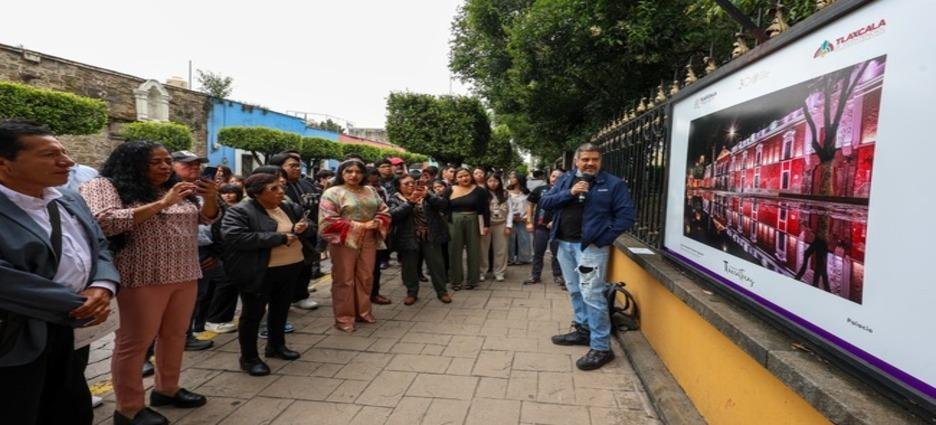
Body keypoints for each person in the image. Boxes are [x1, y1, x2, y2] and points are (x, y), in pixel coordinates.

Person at [81, 140, 217, 424]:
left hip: (184, 273)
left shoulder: (174, 187)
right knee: (134, 343)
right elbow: (105, 222)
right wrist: (164, 203)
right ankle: (129, 408)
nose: (165, 167)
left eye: (167, 161)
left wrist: (212, 195)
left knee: (175, 336)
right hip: (141, 276)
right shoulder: (104, 185)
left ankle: (167, 389)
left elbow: (206, 218)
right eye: (156, 162)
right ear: (131, 163)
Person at [0, 120, 118, 425]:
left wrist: (103, 286)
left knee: (72, 409)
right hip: (15, 335)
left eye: (64, 152)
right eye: (50, 154)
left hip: (72, 328)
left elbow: (99, 245)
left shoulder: (69, 199)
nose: (68, 161)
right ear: (5, 163)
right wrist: (75, 303)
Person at [539, 143, 635, 371]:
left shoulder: (613, 184)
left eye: (595, 159)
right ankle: (583, 331)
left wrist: (602, 239)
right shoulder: (565, 179)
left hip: (590, 249)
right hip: (564, 244)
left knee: (592, 295)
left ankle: (602, 347)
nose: (590, 163)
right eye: (585, 160)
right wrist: (570, 193)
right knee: (574, 290)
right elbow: (545, 202)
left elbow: (626, 217)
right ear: (576, 161)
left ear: (600, 161)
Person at [222, 173, 309, 376]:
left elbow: (306, 226)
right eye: (274, 189)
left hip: (290, 267)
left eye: (281, 187)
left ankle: (276, 346)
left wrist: (302, 228)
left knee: (280, 310)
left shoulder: (286, 207)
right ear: (256, 193)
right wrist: (278, 238)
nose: (281, 192)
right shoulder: (240, 211)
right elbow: (236, 237)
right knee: (253, 315)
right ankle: (249, 358)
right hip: (259, 271)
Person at [319, 159, 391, 332]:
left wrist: (377, 221)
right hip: (344, 240)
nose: (354, 175)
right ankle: (344, 318)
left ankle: (363, 312)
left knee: (366, 276)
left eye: (358, 172)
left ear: (363, 174)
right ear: (341, 174)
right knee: (344, 279)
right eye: (349, 171)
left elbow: (384, 210)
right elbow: (328, 220)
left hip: (369, 238)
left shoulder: (370, 190)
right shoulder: (332, 193)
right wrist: (360, 226)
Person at [387, 173, 452, 305]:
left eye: (412, 182)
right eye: (406, 184)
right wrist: (410, 202)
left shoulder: (427, 194)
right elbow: (393, 216)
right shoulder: (395, 199)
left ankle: (442, 292)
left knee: (436, 265)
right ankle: (412, 292)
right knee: (409, 267)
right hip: (408, 238)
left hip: (430, 236)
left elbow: (443, 205)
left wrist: (428, 196)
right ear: (399, 187)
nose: (411, 185)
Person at [269, 152, 320, 311]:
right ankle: (292, 296)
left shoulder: (306, 184)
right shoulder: (275, 188)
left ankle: (300, 294)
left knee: (305, 265)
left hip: (308, 231)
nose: (297, 169)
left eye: (299, 166)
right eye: (292, 166)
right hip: (287, 235)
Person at [445, 168, 490, 291]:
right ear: (455, 178)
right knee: (454, 250)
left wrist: (486, 225)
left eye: (466, 175)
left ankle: (472, 280)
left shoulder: (480, 191)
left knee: (474, 250)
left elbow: (486, 209)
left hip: (474, 220)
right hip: (454, 221)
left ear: (471, 176)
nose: (464, 178)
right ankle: (456, 281)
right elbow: (443, 206)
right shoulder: (449, 190)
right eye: (460, 176)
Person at [524, 169, 565, 287]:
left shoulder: (566, 191)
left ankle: (558, 275)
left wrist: (555, 221)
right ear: (549, 177)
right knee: (538, 252)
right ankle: (535, 275)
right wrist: (529, 221)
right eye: (553, 176)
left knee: (556, 253)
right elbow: (529, 204)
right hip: (540, 227)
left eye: (558, 177)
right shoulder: (540, 190)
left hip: (557, 228)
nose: (555, 178)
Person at [366, 166, 393, 305]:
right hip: (354, 235)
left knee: (375, 267)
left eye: (376, 179)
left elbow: (385, 209)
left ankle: (374, 293)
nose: (375, 180)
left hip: (375, 233)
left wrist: (381, 222)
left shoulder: (380, 191)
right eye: (372, 177)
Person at [479, 173, 509, 282]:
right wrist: (483, 225)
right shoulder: (482, 193)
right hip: (486, 224)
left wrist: (508, 226)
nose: (493, 183)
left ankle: (499, 272)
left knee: (501, 249)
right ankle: (482, 271)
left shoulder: (505, 194)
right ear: (486, 182)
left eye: (495, 181)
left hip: (501, 224)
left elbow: (509, 211)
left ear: (499, 182)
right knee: (482, 249)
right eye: (490, 181)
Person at [506, 172, 533, 265]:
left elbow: (529, 206)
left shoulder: (527, 193)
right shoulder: (507, 192)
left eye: (513, 177)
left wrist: (525, 217)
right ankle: (510, 259)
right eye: (511, 177)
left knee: (524, 238)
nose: (511, 179)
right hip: (510, 218)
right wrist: (511, 216)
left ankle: (523, 258)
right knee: (510, 239)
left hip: (523, 218)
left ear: (519, 179)